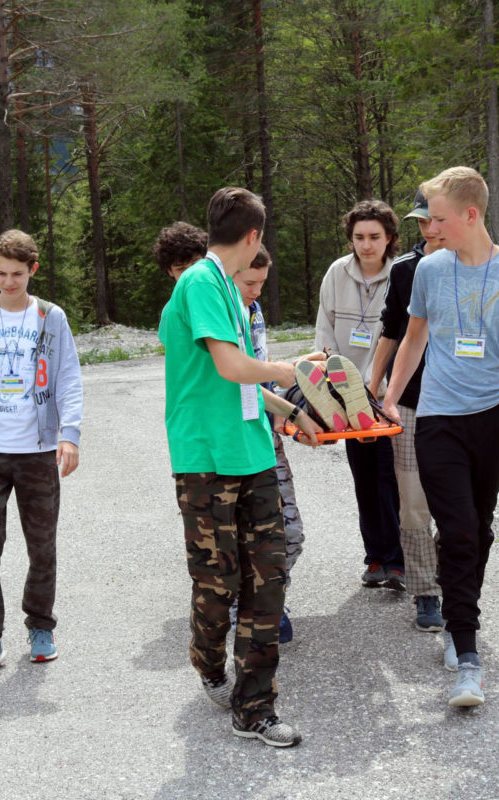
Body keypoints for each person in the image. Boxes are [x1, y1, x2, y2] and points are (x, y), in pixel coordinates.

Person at [382, 167, 499, 708]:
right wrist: (391, 395)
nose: (430, 229)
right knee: (459, 530)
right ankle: (468, 655)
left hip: (493, 418)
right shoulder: (430, 270)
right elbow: (414, 337)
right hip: (436, 418)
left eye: (439, 219)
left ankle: (457, 618)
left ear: (471, 214)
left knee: (478, 530)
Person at [158, 187, 320, 748]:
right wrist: (291, 369)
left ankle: (254, 708)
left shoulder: (230, 288)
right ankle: (207, 662)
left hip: (253, 455)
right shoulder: (201, 282)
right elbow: (231, 366)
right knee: (217, 584)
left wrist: (294, 413)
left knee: (267, 580)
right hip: (206, 459)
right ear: (254, 236)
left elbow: (242, 381)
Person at [0, 229, 83, 680]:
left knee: (41, 544)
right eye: (1, 273)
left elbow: (67, 376)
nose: (9, 282)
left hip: (38, 451)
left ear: (32, 270)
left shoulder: (50, 317)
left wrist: (70, 434)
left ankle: (41, 627)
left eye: (17, 274)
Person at [314, 199, 405, 590]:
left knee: (389, 477)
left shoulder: (401, 274)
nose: (366, 245)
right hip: (347, 395)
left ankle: (397, 562)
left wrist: (376, 387)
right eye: (359, 237)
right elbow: (325, 330)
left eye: (374, 237)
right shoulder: (337, 272)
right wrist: (337, 385)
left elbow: (402, 336)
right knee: (364, 478)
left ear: (389, 238)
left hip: (384, 395)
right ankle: (375, 559)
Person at [368, 189, 442, 632]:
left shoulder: (483, 267)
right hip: (410, 403)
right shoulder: (405, 270)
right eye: (422, 221)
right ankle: (425, 591)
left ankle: (450, 576)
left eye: (436, 219)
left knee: (460, 505)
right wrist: (373, 387)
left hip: (463, 407)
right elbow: (392, 331)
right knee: (413, 502)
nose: (429, 229)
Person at [236, 246, 308, 643]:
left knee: (291, 532)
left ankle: (271, 597)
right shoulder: (221, 317)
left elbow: (261, 373)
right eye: (250, 283)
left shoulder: (254, 309)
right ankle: (248, 607)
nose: (256, 291)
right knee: (245, 536)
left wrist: (283, 410)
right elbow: (237, 381)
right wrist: (291, 410)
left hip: (266, 433)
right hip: (234, 441)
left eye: (262, 283)